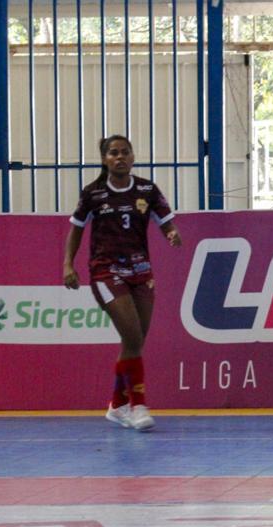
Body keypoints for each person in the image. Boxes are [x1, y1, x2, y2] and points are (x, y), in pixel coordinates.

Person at [62, 135, 181, 432]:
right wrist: (68, 265)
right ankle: (137, 405)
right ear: (105, 159)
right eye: (113, 153)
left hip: (141, 273)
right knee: (132, 335)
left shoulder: (147, 190)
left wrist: (171, 233)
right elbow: (76, 230)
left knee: (135, 340)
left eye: (125, 152)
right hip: (105, 271)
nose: (120, 157)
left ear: (132, 156)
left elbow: (165, 220)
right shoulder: (93, 194)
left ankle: (117, 405)